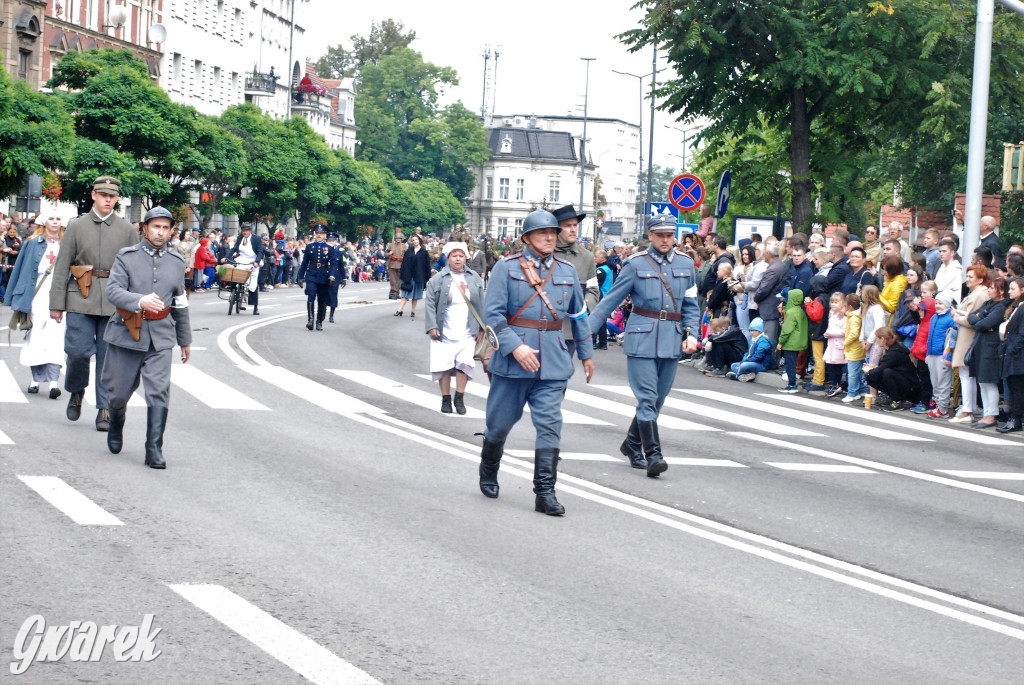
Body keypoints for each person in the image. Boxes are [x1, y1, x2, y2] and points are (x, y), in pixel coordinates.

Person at [477, 209, 594, 516]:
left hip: (553, 358)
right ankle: (489, 466)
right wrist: (515, 348)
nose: (549, 237)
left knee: (550, 423)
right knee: (499, 425)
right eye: (542, 233)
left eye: (553, 233)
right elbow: (493, 315)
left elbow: (578, 314)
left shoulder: (567, 271)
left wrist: (586, 352)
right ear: (527, 237)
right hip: (514, 361)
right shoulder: (507, 267)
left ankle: (545, 492)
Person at [589, 215, 700, 477]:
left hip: (671, 338)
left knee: (657, 401)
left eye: (670, 235)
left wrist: (692, 333)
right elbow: (609, 302)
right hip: (641, 337)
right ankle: (653, 455)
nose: (665, 239)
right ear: (649, 235)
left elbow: (691, 305)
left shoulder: (686, 264)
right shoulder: (635, 264)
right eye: (660, 234)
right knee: (647, 398)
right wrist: (583, 336)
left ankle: (631, 443)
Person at [100, 207, 191, 469]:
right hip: (126, 333)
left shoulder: (176, 262)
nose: (160, 232)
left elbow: (180, 304)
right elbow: (114, 291)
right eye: (155, 227)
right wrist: (138, 300)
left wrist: (184, 340)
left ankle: (154, 449)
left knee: (159, 392)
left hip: (161, 335)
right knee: (117, 394)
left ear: (171, 230)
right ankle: (116, 423)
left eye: (165, 227)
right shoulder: (126, 257)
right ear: (145, 228)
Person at [49, 176, 139, 431]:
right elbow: (62, 265)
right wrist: (56, 303)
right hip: (80, 294)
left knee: (108, 357)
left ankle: (104, 408)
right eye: (103, 195)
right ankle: (76, 390)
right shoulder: (76, 226)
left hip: (115, 300)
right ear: (93, 196)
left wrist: (135, 304)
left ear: (116, 198)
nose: (108, 199)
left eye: (112, 196)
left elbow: (136, 269)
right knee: (77, 351)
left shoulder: (127, 230)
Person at [6, 214, 66, 397]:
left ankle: (54, 383)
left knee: (56, 339)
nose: (55, 221)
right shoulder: (31, 243)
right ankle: (35, 380)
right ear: (44, 222)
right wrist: (15, 299)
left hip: (59, 296)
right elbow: (20, 271)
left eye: (58, 218)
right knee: (36, 337)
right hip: (36, 296)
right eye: (52, 218)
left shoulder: (68, 245)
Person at [423, 242, 486, 414]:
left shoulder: (474, 278)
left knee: (464, 364)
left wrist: (481, 328)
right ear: (447, 257)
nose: (458, 259)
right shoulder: (437, 279)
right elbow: (429, 304)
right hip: (443, 330)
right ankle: (445, 399)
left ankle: (459, 398)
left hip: (467, 330)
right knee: (443, 365)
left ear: (466, 257)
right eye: (454, 255)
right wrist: (431, 326)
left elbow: (481, 303)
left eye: (461, 255)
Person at [552, 204, 600, 356]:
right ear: (557, 228)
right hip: (542, 326)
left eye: (575, 225)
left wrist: (587, 303)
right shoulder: (545, 252)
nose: (573, 229)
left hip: (569, 329)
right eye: (567, 226)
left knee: (561, 375)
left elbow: (593, 289)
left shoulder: (587, 257)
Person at [965, 277, 1009, 429]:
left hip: (991, 347)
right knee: (982, 381)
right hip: (981, 345)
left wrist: (980, 321)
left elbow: (985, 323)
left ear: (1002, 291)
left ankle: (991, 414)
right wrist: (980, 322)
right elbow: (971, 317)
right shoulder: (987, 304)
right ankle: (986, 413)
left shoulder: (1002, 306)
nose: (988, 290)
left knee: (989, 381)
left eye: (992, 288)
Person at [866, 327, 920, 411]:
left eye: (877, 338)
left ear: (883, 339)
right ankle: (896, 398)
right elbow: (884, 367)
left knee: (886, 373)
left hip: (911, 388)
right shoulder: (892, 348)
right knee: (872, 377)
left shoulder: (895, 351)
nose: (876, 340)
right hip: (904, 382)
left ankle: (896, 401)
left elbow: (883, 369)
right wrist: (873, 368)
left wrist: (869, 370)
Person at [296, 225, 339, 331]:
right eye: (317, 233)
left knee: (322, 300)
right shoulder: (310, 246)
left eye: (321, 233)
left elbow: (334, 264)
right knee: (311, 295)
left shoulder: (329, 247)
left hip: (324, 275)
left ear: (325, 235)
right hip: (312, 274)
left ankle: (319, 321)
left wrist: (332, 276)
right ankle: (310, 320)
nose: (319, 235)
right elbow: (305, 263)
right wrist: (300, 277)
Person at [998, 278, 1024, 432]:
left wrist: (1012, 350)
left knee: (1017, 389)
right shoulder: (1016, 306)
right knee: (1014, 388)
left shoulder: (1022, 308)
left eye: (1013, 288)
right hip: (1013, 353)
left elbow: (1022, 334)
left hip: (1018, 356)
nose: (1009, 291)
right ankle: (1014, 418)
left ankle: (1015, 419)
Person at [227, 223, 265, 315]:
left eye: (247, 230)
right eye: (244, 231)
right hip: (242, 259)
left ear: (250, 231)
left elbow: (260, 252)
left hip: (253, 260)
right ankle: (234, 291)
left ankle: (255, 308)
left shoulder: (256, 239)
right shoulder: (240, 238)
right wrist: (226, 257)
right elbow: (234, 248)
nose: (245, 232)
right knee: (235, 275)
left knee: (253, 283)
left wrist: (256, 261)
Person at [777, 289, 808, 393]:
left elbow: (786, 330)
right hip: (799, 341)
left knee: (790, 364)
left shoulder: (790, 312)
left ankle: (792, 385)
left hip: (790, 342)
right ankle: (792, 384)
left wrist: (780, 342)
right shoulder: (800, 310)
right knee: (793, 363)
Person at [395, 234, 430, 318]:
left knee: (415, 295)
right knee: (405, 293)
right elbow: (404, 263)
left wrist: (427, 278)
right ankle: (400, 310)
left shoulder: (424, 252)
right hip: (408, 276)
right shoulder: (409, 251)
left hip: (419, 276)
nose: (415, 241)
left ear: (419, 240)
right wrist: (403, 274)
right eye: (413, 240)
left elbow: (426, 266)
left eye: (416, 240)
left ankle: (413, 311)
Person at [325, 232, 347, 323]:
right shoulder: (324, 250)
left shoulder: (339, 252)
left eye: (333, 240)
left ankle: (331, 315)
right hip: (325, 275)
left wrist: (344, 278)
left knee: (333, 295)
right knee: (324, 295)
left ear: (336, 241)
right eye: (329, 240)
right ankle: (322, 313)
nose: (331, 242)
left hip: (336, 277)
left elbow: (341, 265)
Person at [1, 222, 22, 303]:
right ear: (8, 231)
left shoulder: (17, 239)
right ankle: (4, 296)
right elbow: (6, 246)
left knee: (13, 279)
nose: (12, 234)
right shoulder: (5, 239)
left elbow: (21, 249)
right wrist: (12, 247)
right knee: (5, 279)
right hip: (7, 261)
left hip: (15, 261)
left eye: (14, 232)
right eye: (11, 232)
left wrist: (17, 252)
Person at [386, 231, 406, 299]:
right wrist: (389, 254)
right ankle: (394, 293)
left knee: (400, 280)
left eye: (399, 238)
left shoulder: (404, 246)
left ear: (401, 239)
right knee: (393, 280)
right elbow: (385, 253)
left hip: (401, 264)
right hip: (392, 264)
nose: (398, 239)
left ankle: (396, 292)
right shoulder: (391, 245)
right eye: (397, 238)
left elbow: (407, 255)